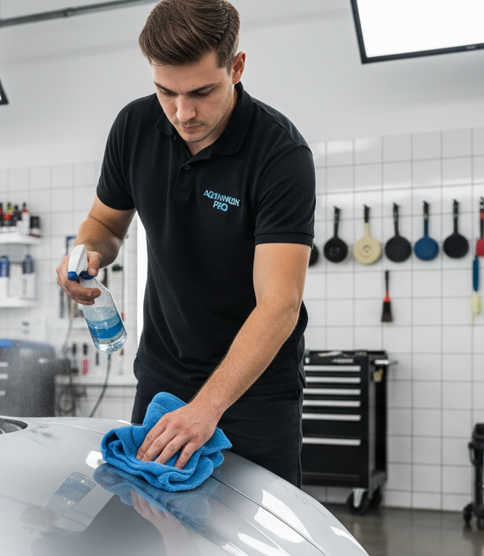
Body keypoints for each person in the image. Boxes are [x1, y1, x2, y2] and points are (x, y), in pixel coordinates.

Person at [55, 0, 315, 486]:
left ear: (236, 67)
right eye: (165, 92)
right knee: (149, 528)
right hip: (164, 379)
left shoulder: (279, 153)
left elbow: (279, 304)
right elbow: (104, 225)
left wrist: (207, 408)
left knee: (262, 547)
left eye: (201, 92)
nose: (183, 112)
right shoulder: (134, 128)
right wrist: (87, 252)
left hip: (254, 392)